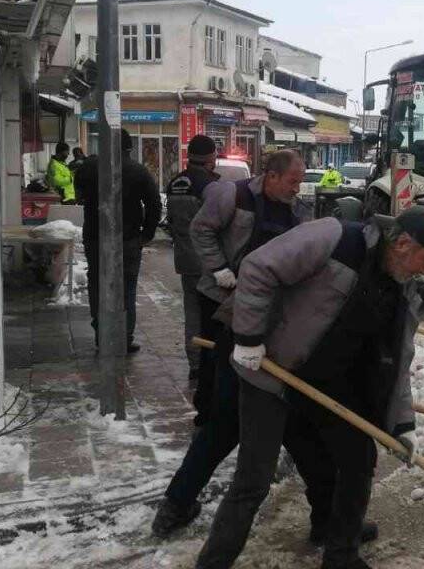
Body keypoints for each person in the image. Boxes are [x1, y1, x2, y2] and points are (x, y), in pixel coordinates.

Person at [192, 205, 424, 569]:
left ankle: (339, 552)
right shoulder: (336, 239)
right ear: (403, 243)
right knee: (254, 480)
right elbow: (258, 266)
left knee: (357, 457)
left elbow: (397, 361)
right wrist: (249, 337)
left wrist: (401, 423)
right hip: (271, 370)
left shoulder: (403, 291)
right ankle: (212, 563)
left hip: (327, 381)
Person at [152, 150, 377, 547]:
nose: (297, 187)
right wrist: (219, 269)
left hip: (269, 334)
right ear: (271, 176)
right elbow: (201, 232)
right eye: (292, 180)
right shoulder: (232, 196)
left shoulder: (299, 214)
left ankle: (327, 518)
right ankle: (176, 504)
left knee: (298, 431)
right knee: (225, 426)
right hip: (234, 323)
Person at [74, 130, 161, 353]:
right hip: (129, 239)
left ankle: (101, 336)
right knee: (127, 288)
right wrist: (147, 234)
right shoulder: (139, 171)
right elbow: (154, 204)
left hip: (95, 238)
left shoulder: (88, 168)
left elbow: (79, 196)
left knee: (98, 285)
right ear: (128, 148)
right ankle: (124, 337)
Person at [164, 135, 222, 390]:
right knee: (213, 313)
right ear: (210, 158)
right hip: (210, 261)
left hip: (185, 259)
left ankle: (195, 364)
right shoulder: (211, 185)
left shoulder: (175, 183)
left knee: (191, 312)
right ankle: (212, 361)